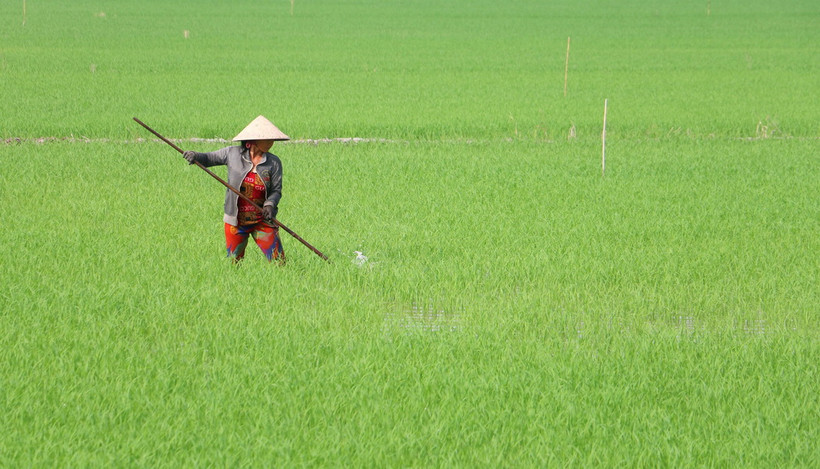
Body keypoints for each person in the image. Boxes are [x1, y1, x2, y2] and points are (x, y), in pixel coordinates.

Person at [183, 115, 288, 263]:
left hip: (262, 220)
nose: (270, 142)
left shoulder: (273, 163)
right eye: (266, 138)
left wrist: (270, 205)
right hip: (235, 222)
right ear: (253, 140)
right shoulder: (232, 154)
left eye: (271, 139)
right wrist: (195, 156)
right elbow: (209, 158)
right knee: (234, 263)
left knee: (279, 262)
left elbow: (276, 190)